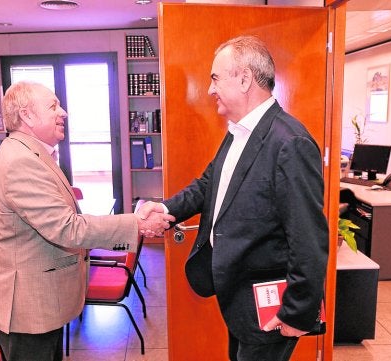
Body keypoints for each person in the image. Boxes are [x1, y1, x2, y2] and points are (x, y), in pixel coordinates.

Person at [138, 35, 329, 361]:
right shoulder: (239, 131)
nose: (210, 89)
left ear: (244, 79)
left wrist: (297, 312)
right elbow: (209, 184)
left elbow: (308, 238)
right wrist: (167, 207)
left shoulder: (290, 142)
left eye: (215, 78)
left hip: (271, 306)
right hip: (240, 297)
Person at [0, 81, 175, 361]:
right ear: (27, 115)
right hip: (28, 308)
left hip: (41, 302)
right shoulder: (20, 161)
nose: (63, 112)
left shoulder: (33, 154)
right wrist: (136, 223)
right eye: (53, 106)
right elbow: (66, 228)